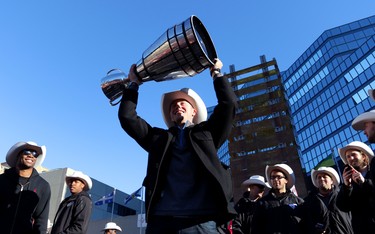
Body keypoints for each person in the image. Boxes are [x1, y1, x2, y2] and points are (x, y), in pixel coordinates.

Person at [118, 58, 238, 233]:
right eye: (173, 106)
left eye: (183, 103)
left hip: (202, 221)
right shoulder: (158, 138)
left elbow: (229, 105)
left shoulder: (208, 133)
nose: (177, 106)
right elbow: (127, 118)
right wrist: (134, 85)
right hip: (162, 221)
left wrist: (216, 74)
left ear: (194, 111)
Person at [0, 141, 51, 234]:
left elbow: (41, 221)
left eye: (35, 154)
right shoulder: (2, 180)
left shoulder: (43, 186)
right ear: (18, 155)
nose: (31, 155)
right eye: (27, 152)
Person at [251, 163, 304, 234]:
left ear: (286, 180)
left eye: (279, 177)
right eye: (272, 177)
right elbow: (256, 228)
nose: (275, 179)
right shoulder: (262, 203)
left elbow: (306, 227)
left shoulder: (299, 202)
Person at [336, 141, 375, 233]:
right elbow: (343, 207)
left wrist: (364, 182)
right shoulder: (350, 181)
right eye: (348, 157)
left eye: (353, 154)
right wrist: (346, 186)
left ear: (364, 156)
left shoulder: (373, 171)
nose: (351, 158)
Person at [301, 167, 353, 234]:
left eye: (325, 177)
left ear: (332, 181)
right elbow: (307, 224)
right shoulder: (309, 201)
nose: (321, 179)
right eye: (319, 177)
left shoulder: (343, 194)